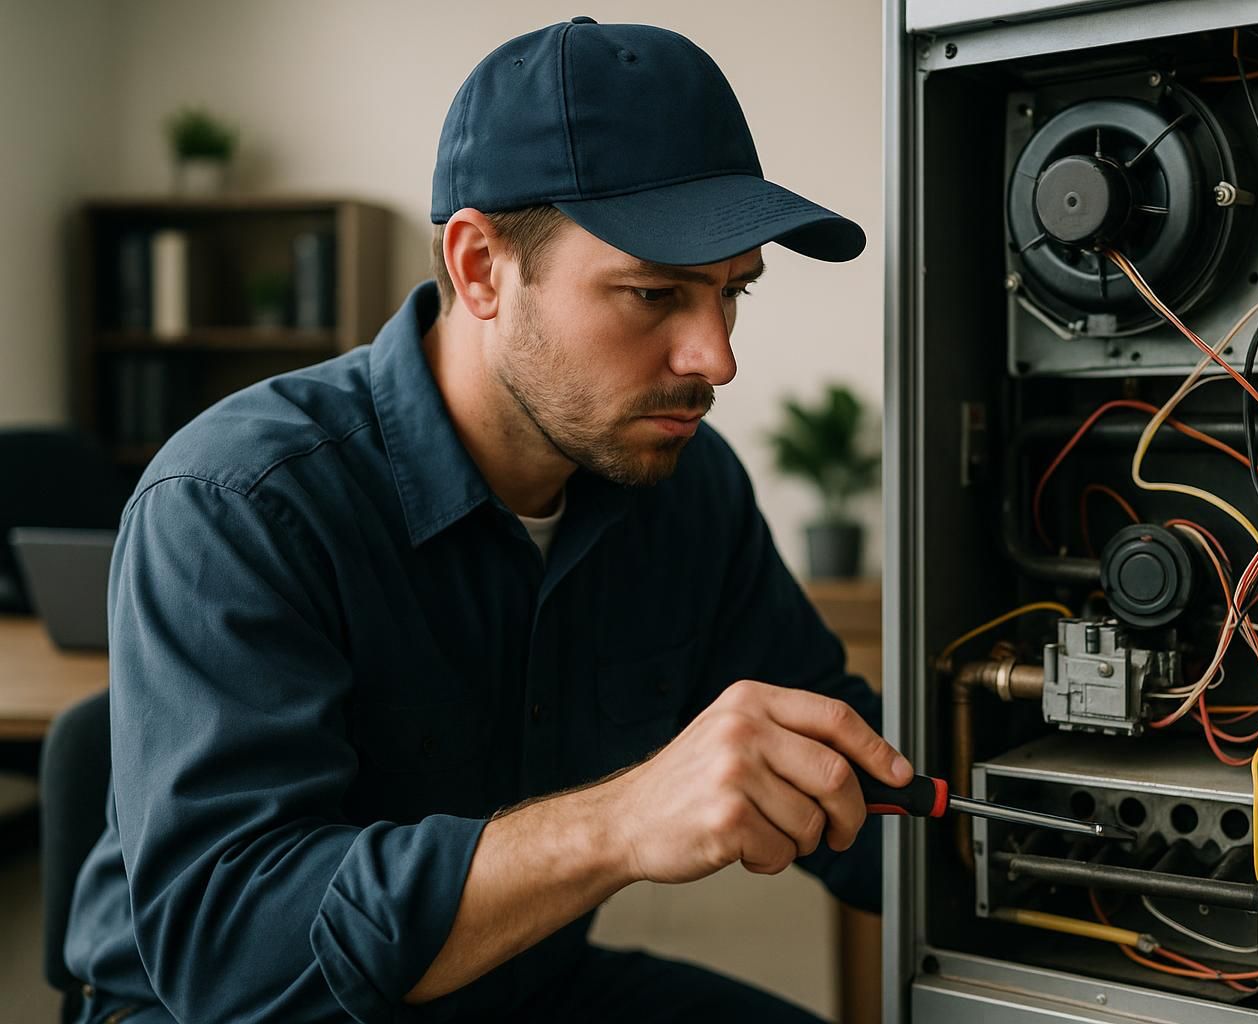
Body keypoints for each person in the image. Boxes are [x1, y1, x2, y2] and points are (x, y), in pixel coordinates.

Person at [64, 17, 905, 1024]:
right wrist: (620, 822)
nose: (716, 358)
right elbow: (232, 946)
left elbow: (850, 773)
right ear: (479, 269)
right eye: (654, 294)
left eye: (733, 295)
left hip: (517, 983)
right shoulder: (239, 501)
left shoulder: (686, 488)